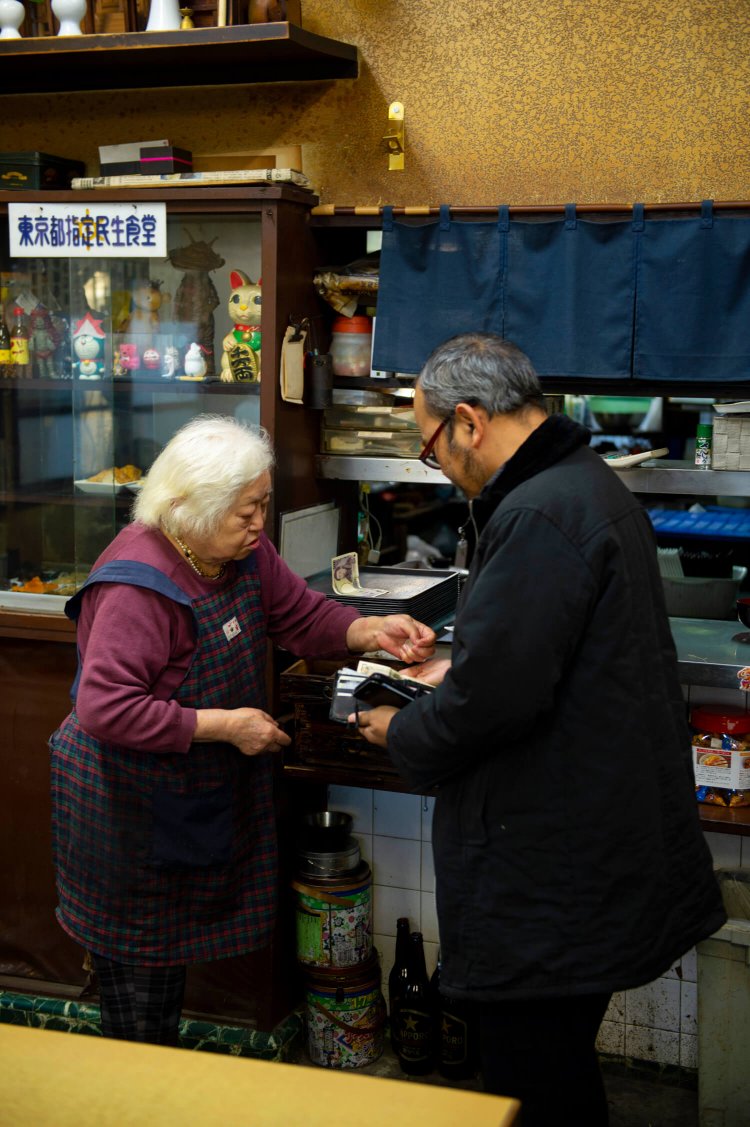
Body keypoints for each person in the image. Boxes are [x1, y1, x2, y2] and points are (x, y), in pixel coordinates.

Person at [352, 333, 725, 1126]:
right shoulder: (584, 484)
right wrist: (468, 666)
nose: (435, 466)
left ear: (469, 421)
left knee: (535, 1082)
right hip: (593, 850)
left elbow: (492, 704)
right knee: (556, 1070)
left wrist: (399, 729)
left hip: (553, 872)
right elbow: (543, 663)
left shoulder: (538, 513)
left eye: (430, 446)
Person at [50, 414, 435, 1047]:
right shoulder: (137, 588)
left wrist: (368, 630)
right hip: (128, 808)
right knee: (141, 993)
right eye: (246, 510)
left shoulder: (241, 553)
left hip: (185, 795)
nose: (260, 522)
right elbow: (105, 707)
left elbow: (299, 616)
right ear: (190, 508)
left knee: (165, 971)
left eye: (262, 503)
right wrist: (226, 726)